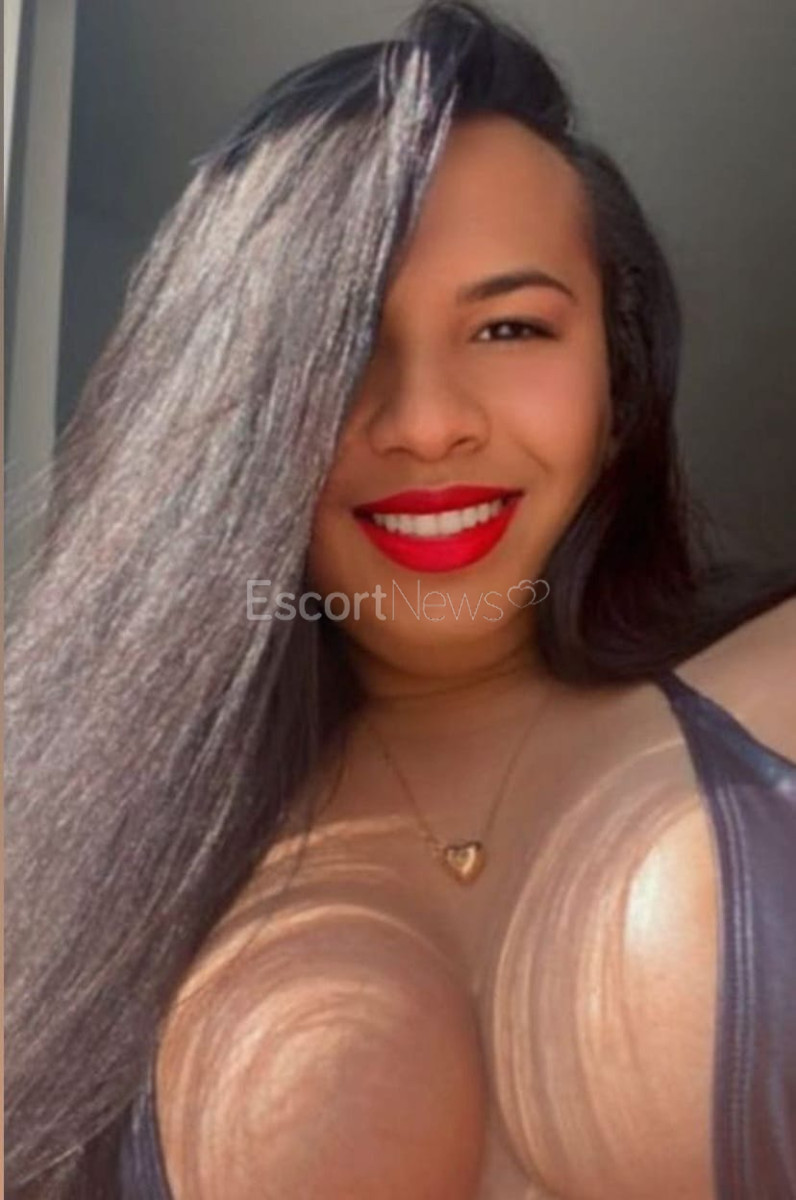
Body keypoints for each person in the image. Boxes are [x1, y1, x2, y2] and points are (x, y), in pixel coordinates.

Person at [5, 2, 795, 1197]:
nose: (426, 422)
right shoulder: (68, 878)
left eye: (509, 327)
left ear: (618, 379)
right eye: (342, 344)